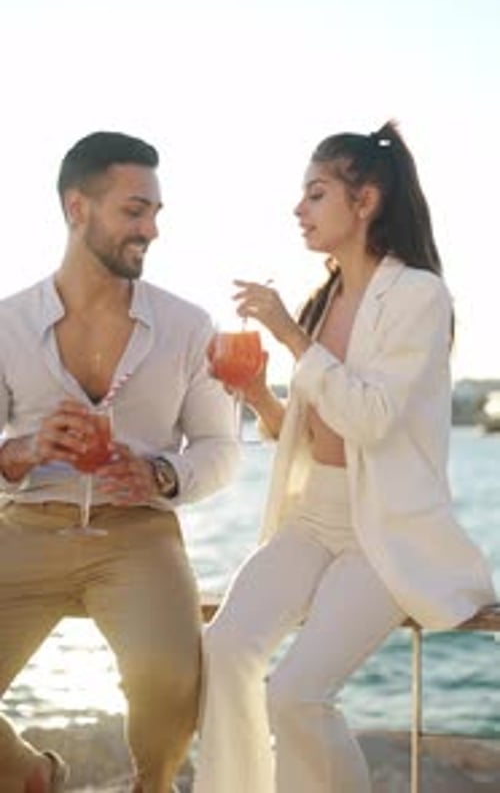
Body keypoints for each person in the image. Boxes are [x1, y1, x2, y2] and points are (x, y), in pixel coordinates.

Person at [193, 121, 497, 793]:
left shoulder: (419, 296)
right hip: (312, 517)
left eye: (316, 193)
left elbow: (371, 418)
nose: (298, 209)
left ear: (365, 202)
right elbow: (306, 435)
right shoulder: (322, 298)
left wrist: (290, 337)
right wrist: (257, 399)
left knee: (297, 694)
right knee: (226, 648)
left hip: (379, 531)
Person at [0, 131, 239, 793]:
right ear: (78, 207)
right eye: (135, 210)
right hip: (23, 527)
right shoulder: (7, 324)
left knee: (171, 677)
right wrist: (21, 453)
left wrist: (161, 475)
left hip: (139, 533)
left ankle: (152, 786)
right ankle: (27, 775)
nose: (151, 229)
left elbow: (222, 449)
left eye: (156, 212)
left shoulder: (190, 326)